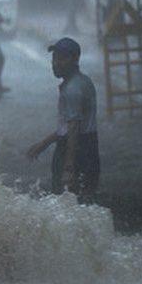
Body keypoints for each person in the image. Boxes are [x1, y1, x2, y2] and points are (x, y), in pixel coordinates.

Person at [26, 37, 100, 203]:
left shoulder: (73, 89)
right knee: (84, 201)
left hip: (75, 151)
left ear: (75, 60)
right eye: (54, 58)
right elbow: (68, 125)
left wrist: (69, 168)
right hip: (88, 147)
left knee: (64, 203)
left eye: (62, 58)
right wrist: (44, 143)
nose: (56, 63)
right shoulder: (83, 82)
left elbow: (73, 129)